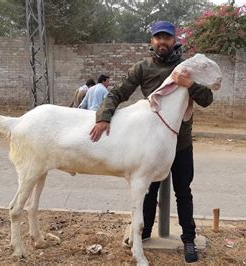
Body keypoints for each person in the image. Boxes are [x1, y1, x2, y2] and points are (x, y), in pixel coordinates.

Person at [89, 21, 214, 263]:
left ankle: (188, 239)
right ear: (152, 42)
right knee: (148, 190)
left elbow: (207, 99)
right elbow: (117, 93)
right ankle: (143, 232)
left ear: (174, 40)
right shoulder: (143, 68)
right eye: (158, 38)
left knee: (183, 192)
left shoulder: (185, 68)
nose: (162, 42)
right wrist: (103, 117)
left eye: (167, 37)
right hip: (150, 146)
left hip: (180, 144)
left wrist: (190, 84)